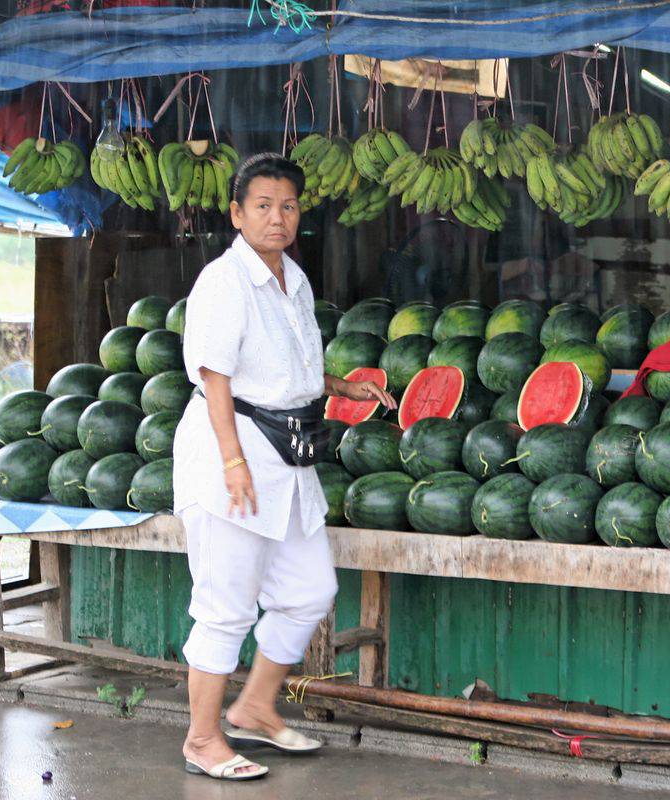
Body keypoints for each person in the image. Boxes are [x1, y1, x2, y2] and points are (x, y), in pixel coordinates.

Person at [172, 153, 394, 781]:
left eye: (288, 206)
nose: (278, 217)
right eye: (263, 206)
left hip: (286, 458)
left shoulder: (292, 278)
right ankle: (202, 739)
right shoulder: (224, 282)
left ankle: (254, 707)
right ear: (237, 214)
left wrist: (340, 387)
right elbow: (216, 377)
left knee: (309, 591)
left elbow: (283, 368)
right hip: (233, 453)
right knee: (224, 607)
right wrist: (232, 461)